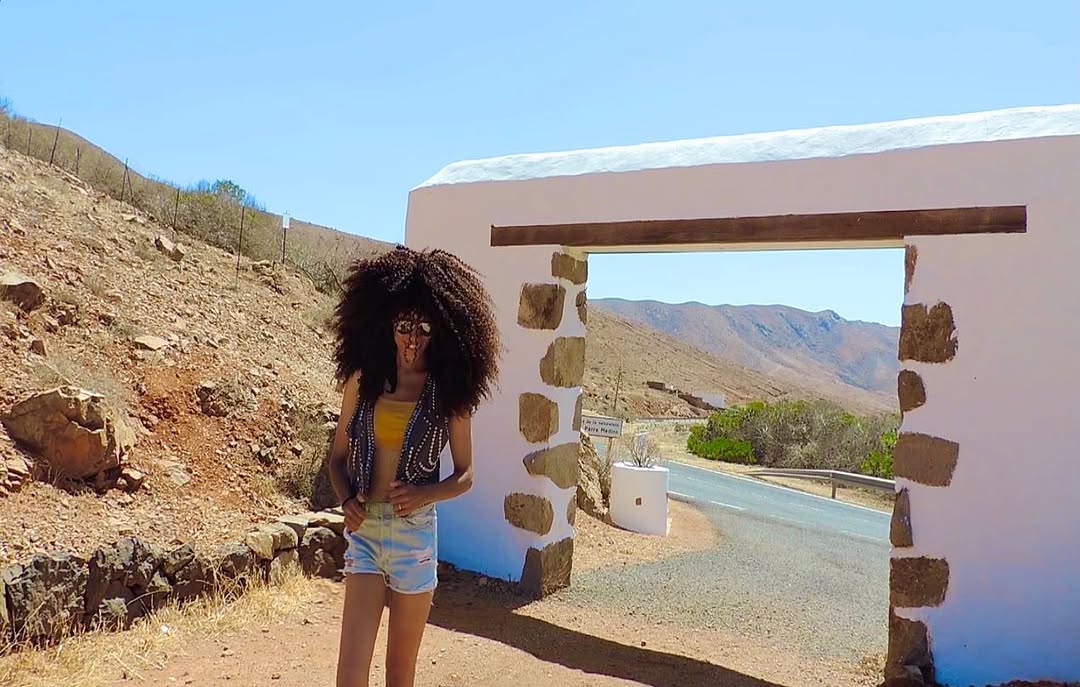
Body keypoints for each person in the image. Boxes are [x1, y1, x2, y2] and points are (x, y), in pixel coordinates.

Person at [326, 245, 500, 687]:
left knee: (399, 674)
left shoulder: (449, 391)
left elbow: (465, 474)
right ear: (387, 324)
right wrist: (346, 499)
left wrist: (426, 493)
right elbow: (337, 459)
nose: (413, 339)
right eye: (404, 326)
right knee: (350, 675)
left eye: (425, 328)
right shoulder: (363, 381)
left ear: (441, 331)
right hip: (365, 534)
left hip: (415, 537)